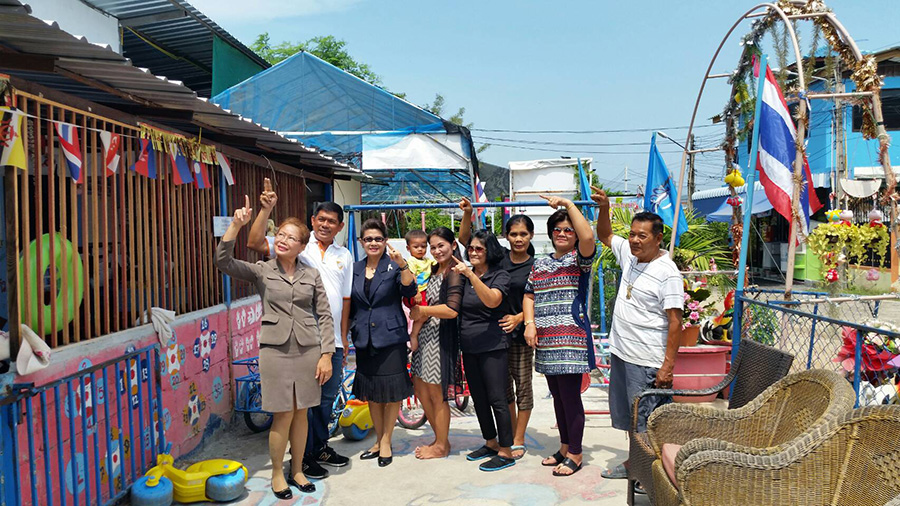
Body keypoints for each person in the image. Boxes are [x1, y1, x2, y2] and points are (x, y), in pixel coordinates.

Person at [215, 196, 333, 499]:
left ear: (301, 246)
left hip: (308, 350)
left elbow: (324, 315)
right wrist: (235, 226)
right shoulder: (262, 270)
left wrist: (327, 354)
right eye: (280, 234)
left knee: (302, 413)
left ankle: (298, 469)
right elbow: (223, 262)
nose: (283, 240)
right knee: (283, 413)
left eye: (291, 237)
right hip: (275, 352)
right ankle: (278, 473)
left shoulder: (311, 275)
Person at [248, 180, 351, 479]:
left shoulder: (344, 255)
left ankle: (316, 449)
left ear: (340, 226)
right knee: (301, 404)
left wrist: (341, 341)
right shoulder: (297, 249)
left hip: (330, 341)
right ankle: (300, 460)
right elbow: (255, 243)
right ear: (312, 222)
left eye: (332, 221)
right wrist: (265, 209)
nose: (326, 225)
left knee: (325, 399)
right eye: (321, 219)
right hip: (300, 340)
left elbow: (345, 301)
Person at [591, 187, 683, 486]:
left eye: (642, 236)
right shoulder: (630, 257)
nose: (634, 240)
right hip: (622, 353)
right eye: (632, 234)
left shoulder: (667, 273)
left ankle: (650, 473)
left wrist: (667, 366)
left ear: (658, 238)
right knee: (631, 419)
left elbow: (675, 322)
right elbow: (605, 236)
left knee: (647, 420)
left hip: (647, 361)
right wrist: (604, 206)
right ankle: (637, 463)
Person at [523, 195, 596, 477]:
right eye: (558, 230)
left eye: (569, 230)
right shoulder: (540, 264)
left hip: (571, 339)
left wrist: (568, 205)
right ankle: (565, 446)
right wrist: (530, 323)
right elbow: (529, 294)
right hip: (546, 338)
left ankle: (576, 453)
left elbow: (589, 236)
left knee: (570, 396)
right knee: (557, 396)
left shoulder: (580, 260)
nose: (563, 234)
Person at [459, 199, 536, 460]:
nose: (518, 238)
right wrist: (468, 213)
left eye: (523, 234)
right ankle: (499, 439)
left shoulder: (532, 266)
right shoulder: (501, 259)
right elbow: (467, 239)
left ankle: (516, 440)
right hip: (496, 334)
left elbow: (534, 299)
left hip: (518, 331)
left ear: (531, 236)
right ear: (505, 237)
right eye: (513, 234)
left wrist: (520, 319)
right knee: (498, 392)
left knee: (520, 388)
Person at [349, 219, 417, 467]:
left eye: (378, 238)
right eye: (368, 239)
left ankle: (387, 441)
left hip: (391, 339)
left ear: (385, 241)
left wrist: (403, 265)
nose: (373, 243)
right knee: (373, 394)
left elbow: (410, 293)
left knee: (391, 393)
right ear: (361, 242)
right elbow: (352, 304)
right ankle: (378, 440)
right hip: (364, 339)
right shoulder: (354, 268)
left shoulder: (394, 267)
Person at [452, 230, 516, 471]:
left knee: (498, 398)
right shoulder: (464, 277)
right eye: (471, 249)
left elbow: (492, 300)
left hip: (493, 345)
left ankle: (506, 450)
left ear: (489, 251)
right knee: (478, 398)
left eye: (479, 249)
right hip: (469, 346)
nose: (474, 252)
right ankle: (490, 441)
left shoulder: (500, 275)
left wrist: (470, 274)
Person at [408, 227, 463, 460]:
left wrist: (421, 311)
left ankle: (441, 445)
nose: (436, 250)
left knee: (436, 393)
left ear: (452, 245)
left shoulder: (455, 271)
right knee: (420, 389)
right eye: (433, 247)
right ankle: (439, 437)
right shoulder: (432, 269)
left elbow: (451, 310)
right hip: (425, 336)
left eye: (441, 245)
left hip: (440, 338)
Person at [403, 229, 436, 352]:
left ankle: (415, 332)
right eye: (416, 247)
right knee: (423, 314)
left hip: (423, 292)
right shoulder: (411, 261)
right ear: (408, 248)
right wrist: (415, 292)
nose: (420, 249)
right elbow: (412, 278)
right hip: (416, 293)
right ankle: (413, 334)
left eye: (423, 246)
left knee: (424, 314)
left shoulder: (427, 261)